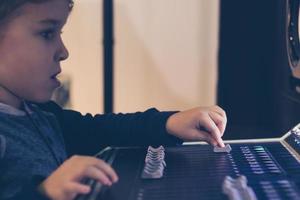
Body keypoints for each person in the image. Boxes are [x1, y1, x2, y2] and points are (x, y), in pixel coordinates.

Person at [0, 0, 227, 200]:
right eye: (47, 33)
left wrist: (168, 123)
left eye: (61, 33)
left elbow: (98, 129)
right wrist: (44, 194)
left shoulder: (40, 112)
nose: (63, 51)